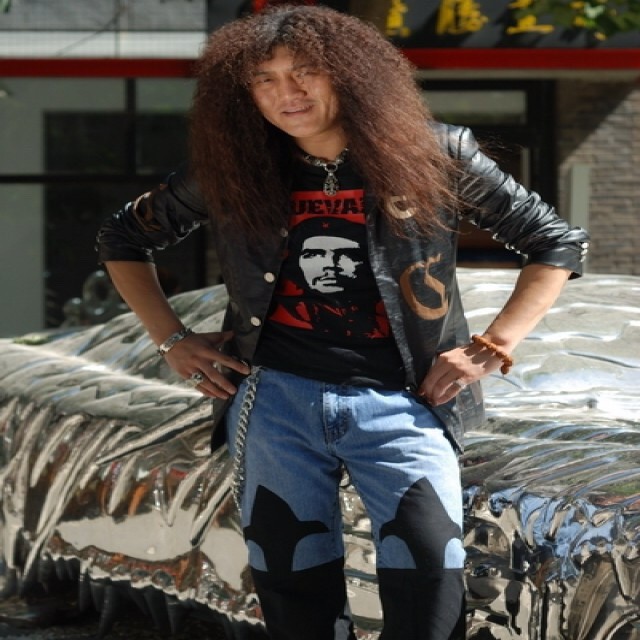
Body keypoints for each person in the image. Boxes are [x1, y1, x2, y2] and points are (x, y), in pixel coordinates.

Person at [95, 5, 590, 639]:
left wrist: (493, 345)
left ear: (350, 75)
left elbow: (555, 241)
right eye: (265, 79)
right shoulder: (232, 167)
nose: (287, 93)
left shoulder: (436, 152)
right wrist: (171, 339)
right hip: (275, 401)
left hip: (408, 402)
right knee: (294, 593)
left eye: (305, 72)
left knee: (430, 585)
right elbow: (122, 238)